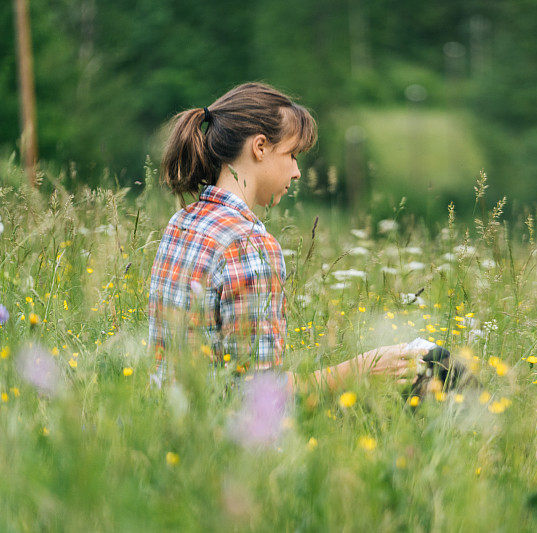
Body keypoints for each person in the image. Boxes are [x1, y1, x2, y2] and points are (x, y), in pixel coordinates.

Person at [147, 81, 425, 394]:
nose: (297, 172)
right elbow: (257, 399)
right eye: (292, 155)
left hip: (166, 425)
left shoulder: (183, 222)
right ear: (260, 147)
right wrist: (363, 369)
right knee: (436, 372)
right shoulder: (249, 244)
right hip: (219, 436)